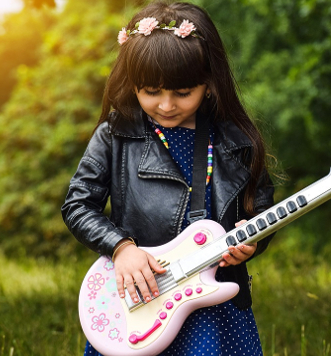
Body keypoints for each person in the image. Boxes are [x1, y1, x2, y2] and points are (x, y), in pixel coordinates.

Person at [61, 2, 275, 355]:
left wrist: (253, 239)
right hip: (142, 294)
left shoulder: (236, 140)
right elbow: (78, 205)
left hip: (213, 303)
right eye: (151, 91)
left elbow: (261, 207)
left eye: (182, 92)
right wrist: (121, 247)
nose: (166, 105)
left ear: (208, 83)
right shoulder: (114, 134)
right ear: (133, 84)